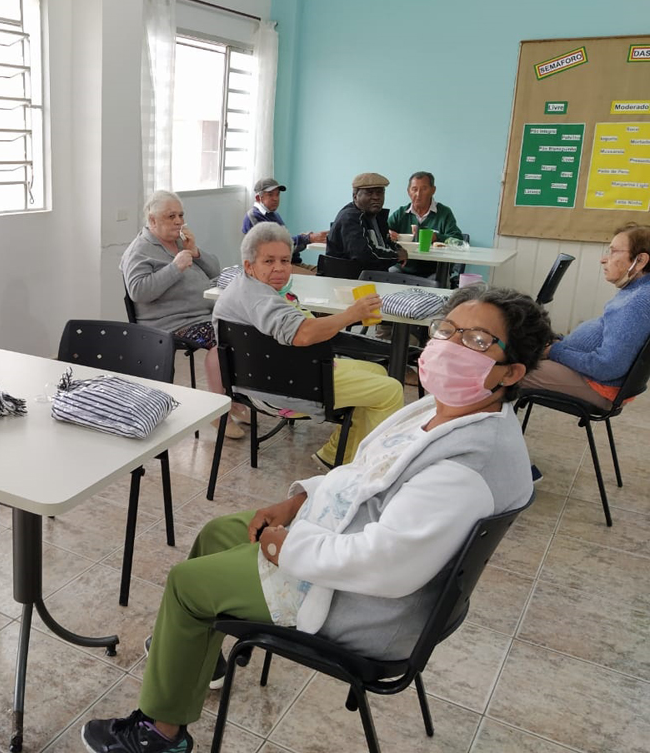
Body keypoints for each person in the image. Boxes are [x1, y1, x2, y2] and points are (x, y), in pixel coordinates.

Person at [81, 285, 552, 753]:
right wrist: (301, 499)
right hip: (349, 544)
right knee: (218, 532)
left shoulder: (466, 467)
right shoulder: (445, 409)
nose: (448, 345)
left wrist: (284, 546)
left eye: (475, 341)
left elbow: (384, 566)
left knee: (187, 584)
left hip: (365, 604)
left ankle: (158, 736)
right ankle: (202, 660)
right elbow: (369, 472)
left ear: (510, 372)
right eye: (447, 330)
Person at [213, 223, 405, 467]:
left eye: (284, 260)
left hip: (260, 379)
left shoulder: (242, 288)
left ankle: (337, 455)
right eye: (269, 261)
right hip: (284, 389)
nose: (279, 269)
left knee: (377, 371)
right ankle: (372, 469)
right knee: (390, 390)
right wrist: (351, 314)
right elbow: (302, 334)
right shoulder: (260, 299)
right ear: (249, 266)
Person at [122, 190, 249, 438]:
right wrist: (175, 267)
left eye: (180, 215)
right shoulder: (139, 250)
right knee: (222, 341)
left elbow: (215, 270)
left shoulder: (180, 241)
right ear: (153, 220)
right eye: (171, 216)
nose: (179, 221)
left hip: (203, 313)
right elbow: (138, 291)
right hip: (171, 323)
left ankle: (232, 400)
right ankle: (217, 411)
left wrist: (195, 251)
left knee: (246, 331)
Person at [520, 223, 650, 412]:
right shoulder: (638, 291)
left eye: (613, 252)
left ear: (640, 261)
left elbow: (607, 367)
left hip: (599, 387)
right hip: (597, 381)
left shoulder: (636, 303)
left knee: (507, 371)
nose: (604, 259)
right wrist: (560, 344)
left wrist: (555, 351)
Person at [387, 171, 464, 279]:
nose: (418, 194)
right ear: (408, 192)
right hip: (402, 268)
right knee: (388, 275)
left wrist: (436, 237)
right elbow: (381, 232)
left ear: (433, 190)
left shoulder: (443, 213)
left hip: (433, 270)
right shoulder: (401, 213)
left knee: (438, 281)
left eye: (424, 189)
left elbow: (458, 239)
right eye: (414, 189)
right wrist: (388, 234)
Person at [241, 177, 327, 273]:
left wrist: (306, 239)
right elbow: (275, 249)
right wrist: (307, 239)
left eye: (277, 194)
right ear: (258, 198)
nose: (276, 198)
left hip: (291, 263)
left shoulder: (273, 214)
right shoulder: (253, 217)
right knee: (318, 280)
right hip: (276, 267)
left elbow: (286, 243)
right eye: (270, 195)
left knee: (327, 273)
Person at [326, 172, 408, 270]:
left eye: (380, 192)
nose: (376, 197)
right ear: (355, 196)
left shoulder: (377, 216)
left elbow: (386, 242)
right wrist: (397, 256)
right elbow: (364, 254)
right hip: (349, 279)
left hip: (371, 276)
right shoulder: (350, 218)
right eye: (369, 193)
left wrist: (399, 249)